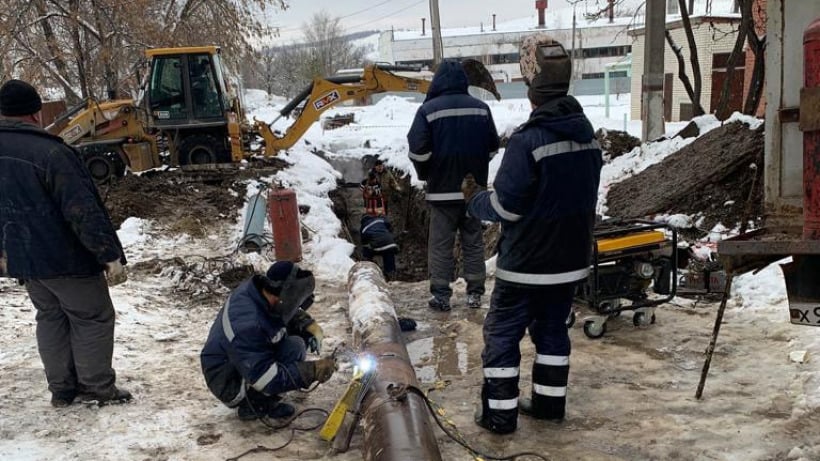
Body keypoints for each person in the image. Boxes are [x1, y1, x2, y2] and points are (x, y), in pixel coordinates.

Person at [462, 34, 602, 434]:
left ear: (531, 85)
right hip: (569, 264)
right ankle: (548, 405)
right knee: (553, 333)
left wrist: (475, 200)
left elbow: (507, 207)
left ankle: (500, 416)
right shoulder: (588, 137)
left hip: (525, 266)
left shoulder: (528, 141)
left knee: (502, 338)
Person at [0, 79, 131, 408]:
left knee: (50, 316)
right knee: (92, 317)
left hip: (24, 259)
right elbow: (82, 212)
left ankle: (61, 389)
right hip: (66, 258)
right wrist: (109, 255)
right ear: (36, 114)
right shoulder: (53, 153)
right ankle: (97, 387)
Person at [406, 59, 500, 311]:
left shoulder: (428, 110)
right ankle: (475, 293)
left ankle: (441, 295)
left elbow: (417, 149)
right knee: (473, 242)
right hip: (472, 193)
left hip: (441, 193)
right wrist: (477, 172)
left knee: (440, 244)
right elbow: (492, 146)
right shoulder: (481, 109)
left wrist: (427, 172)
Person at [200, 261, 336, 421]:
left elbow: (280, 313)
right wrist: (311, 371)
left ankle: (260, 397)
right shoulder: (248, 326)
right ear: (282, 295)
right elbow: (265, 378)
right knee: (292, 351)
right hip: (228, 381)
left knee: (295, 345)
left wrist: (306, 324)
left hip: (239, 359)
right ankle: (254, 405)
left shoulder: (258, 290)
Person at [360, 209, 398, 281]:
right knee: (389, 254)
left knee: (366, 249)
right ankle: (391, 274)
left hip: (378, 245)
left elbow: (364, 242)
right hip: (391, 244)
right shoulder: (380, 220)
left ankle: (368, 266)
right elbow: (389, 225)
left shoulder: (364, 227)